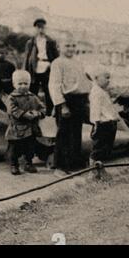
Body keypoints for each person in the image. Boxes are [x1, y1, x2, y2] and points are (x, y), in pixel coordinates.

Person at [49, 40, 91, 176]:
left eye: (73, 45)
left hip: (79, 100)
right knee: (64, 134)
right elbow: (54, 85)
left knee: (76, 133)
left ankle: (73, 163)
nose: (70, 48)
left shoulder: (77, 62)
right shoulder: (57, 63)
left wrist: (88, 98)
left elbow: (84, 81)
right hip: (66, 101)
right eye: (67, 45)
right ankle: (59, 167)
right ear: (59, 46)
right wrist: (62, 105)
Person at [5, 70, 46, 175]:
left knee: (30, 148)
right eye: (20, 83)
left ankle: (28, 163)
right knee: (14, 148)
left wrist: (38, 113)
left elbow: (43, 107)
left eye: (26, 83)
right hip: (17, 129)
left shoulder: (33, 97)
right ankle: (14, 165)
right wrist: (23, 114)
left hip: (31, 128)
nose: (23, 86)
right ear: (14, 84)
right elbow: (12, 110)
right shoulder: (11, 98)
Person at [23, 18, 59, 116]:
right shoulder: (31, 42)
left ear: (45, 28)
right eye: (38, 27)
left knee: (48, 90)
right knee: (33, 90)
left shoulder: (50, 41)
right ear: (35, 28)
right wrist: (25, 72)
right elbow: (26, 58)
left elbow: (56, 56)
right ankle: (33, 111)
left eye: (42, 27)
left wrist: (54, 66)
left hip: (47, 67)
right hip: (35, 68)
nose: (40, 30)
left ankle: (48, 113)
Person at [89, 68, 119, 166]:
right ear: (96, 78)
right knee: (99, 147)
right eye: (106, 78)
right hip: (102, 123)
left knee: (106, 147)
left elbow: (107, 107)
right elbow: (95, 109)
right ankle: (93, 166)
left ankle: (100, 165)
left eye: (109, 78)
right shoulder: (96, 92)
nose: (108, 80)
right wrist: (96, 123)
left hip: (108, 122)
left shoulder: (102, 91)